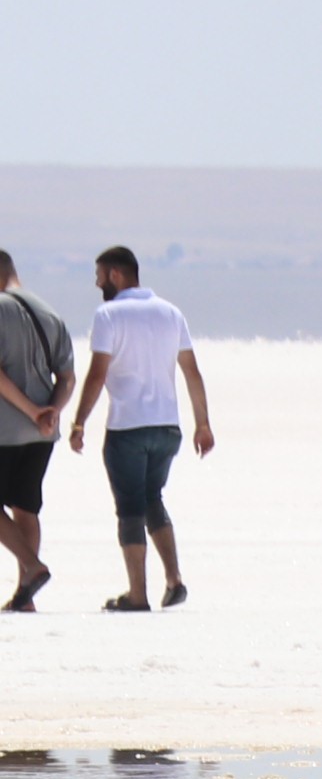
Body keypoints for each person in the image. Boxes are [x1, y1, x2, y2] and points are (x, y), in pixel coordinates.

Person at [67, 247, 211, 612]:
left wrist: (80, 420)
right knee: (152, 499)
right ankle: (174, 578)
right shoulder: (170, 312)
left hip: (128, 426)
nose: (97, 282)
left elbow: (97, 374)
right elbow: (191, 371)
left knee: (129, 508)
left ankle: (137, 594)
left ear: (116, 274)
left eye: (99, 275)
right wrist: (203, 424)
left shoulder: (108, 314)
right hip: (167, 427)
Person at [0, 252, 73, 612]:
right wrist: (51, 413)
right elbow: (68, 376)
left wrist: (30, 411)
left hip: (5, 430)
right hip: (43, 433)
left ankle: (32, 566)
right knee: (26, 507)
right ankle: (24, 595)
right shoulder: (50, 312)